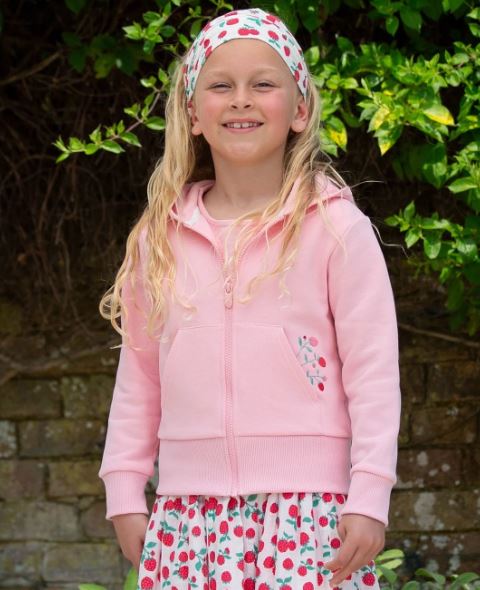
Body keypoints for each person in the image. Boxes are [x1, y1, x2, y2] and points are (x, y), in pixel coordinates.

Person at [98, 7, 401, 590]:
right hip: (189, 519)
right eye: (220, 85)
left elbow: (374, 373)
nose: (241, 100)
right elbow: (138, 375)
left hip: (309, 513)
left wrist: (370, 493)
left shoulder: (337, 229)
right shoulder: (158, 238)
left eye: (263, 84)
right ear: (192, 112)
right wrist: (124, 487)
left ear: (300, 109)